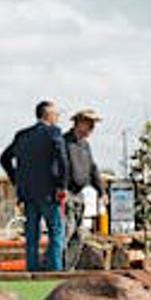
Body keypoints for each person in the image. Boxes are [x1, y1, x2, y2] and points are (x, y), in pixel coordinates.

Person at [0, 101, 69, 272]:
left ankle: (32, 270)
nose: (58, 117)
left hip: (27, 194)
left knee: (31, 237)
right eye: (56, 114)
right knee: (56, 233)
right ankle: (55, 270)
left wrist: (17, 179)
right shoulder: (54, 132)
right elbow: (63, 160)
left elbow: (4, 158)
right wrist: (62, 185)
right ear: (47, 115)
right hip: (49, 193)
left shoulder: (22, 135)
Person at [62, 109, 104, 268]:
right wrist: (62, 188)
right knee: (67, 231)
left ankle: (68, 268)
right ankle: (56, 268)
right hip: (66, 193)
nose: (92, 128)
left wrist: (101, 191)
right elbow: (58, 167)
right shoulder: (64, 142)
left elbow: (93, 168)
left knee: (79, 234)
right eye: (89, 124)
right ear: (78, 123)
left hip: (79, 193)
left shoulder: (85, 145)